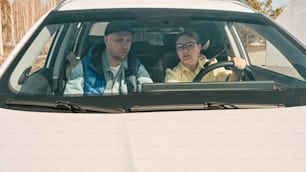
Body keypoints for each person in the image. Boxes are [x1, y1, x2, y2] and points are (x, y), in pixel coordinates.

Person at [64, 21, 153, 95]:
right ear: (106, 40)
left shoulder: (136, 68)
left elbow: (150, 95)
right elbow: (71, 102)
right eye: (119, 40)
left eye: (128, 40)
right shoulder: (83, 68)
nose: (125, 46)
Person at [164, 29, 246, 82]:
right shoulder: (172, 74)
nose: (185, 50)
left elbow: (230, 85)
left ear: (199, 48)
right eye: (180, 46)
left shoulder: (212, 66)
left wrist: (236, 73)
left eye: (190, 45)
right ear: (177, 51)